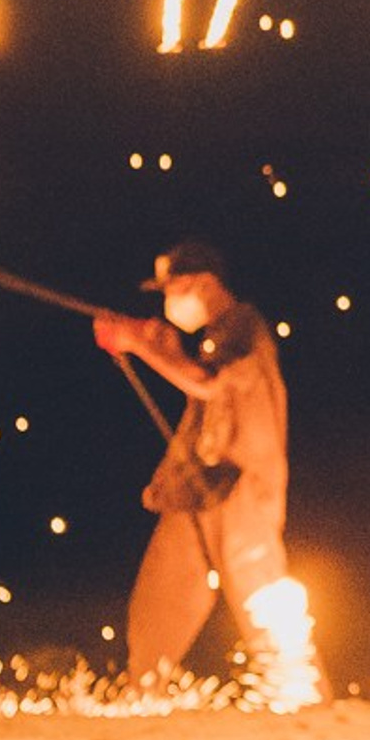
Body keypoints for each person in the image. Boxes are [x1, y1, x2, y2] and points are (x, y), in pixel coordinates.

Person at [92, 240, 308, 704]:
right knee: (159, 601)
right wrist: (162, 345)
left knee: (265, 605)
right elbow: (201, 386)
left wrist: (138, 345)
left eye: (174, 288)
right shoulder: (217, 335)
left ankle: (301, 698)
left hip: (245, 488)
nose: (169, 300)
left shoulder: (243, 325)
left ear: (205, 283)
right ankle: (143, 695)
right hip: (202, 491)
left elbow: (208, 384)